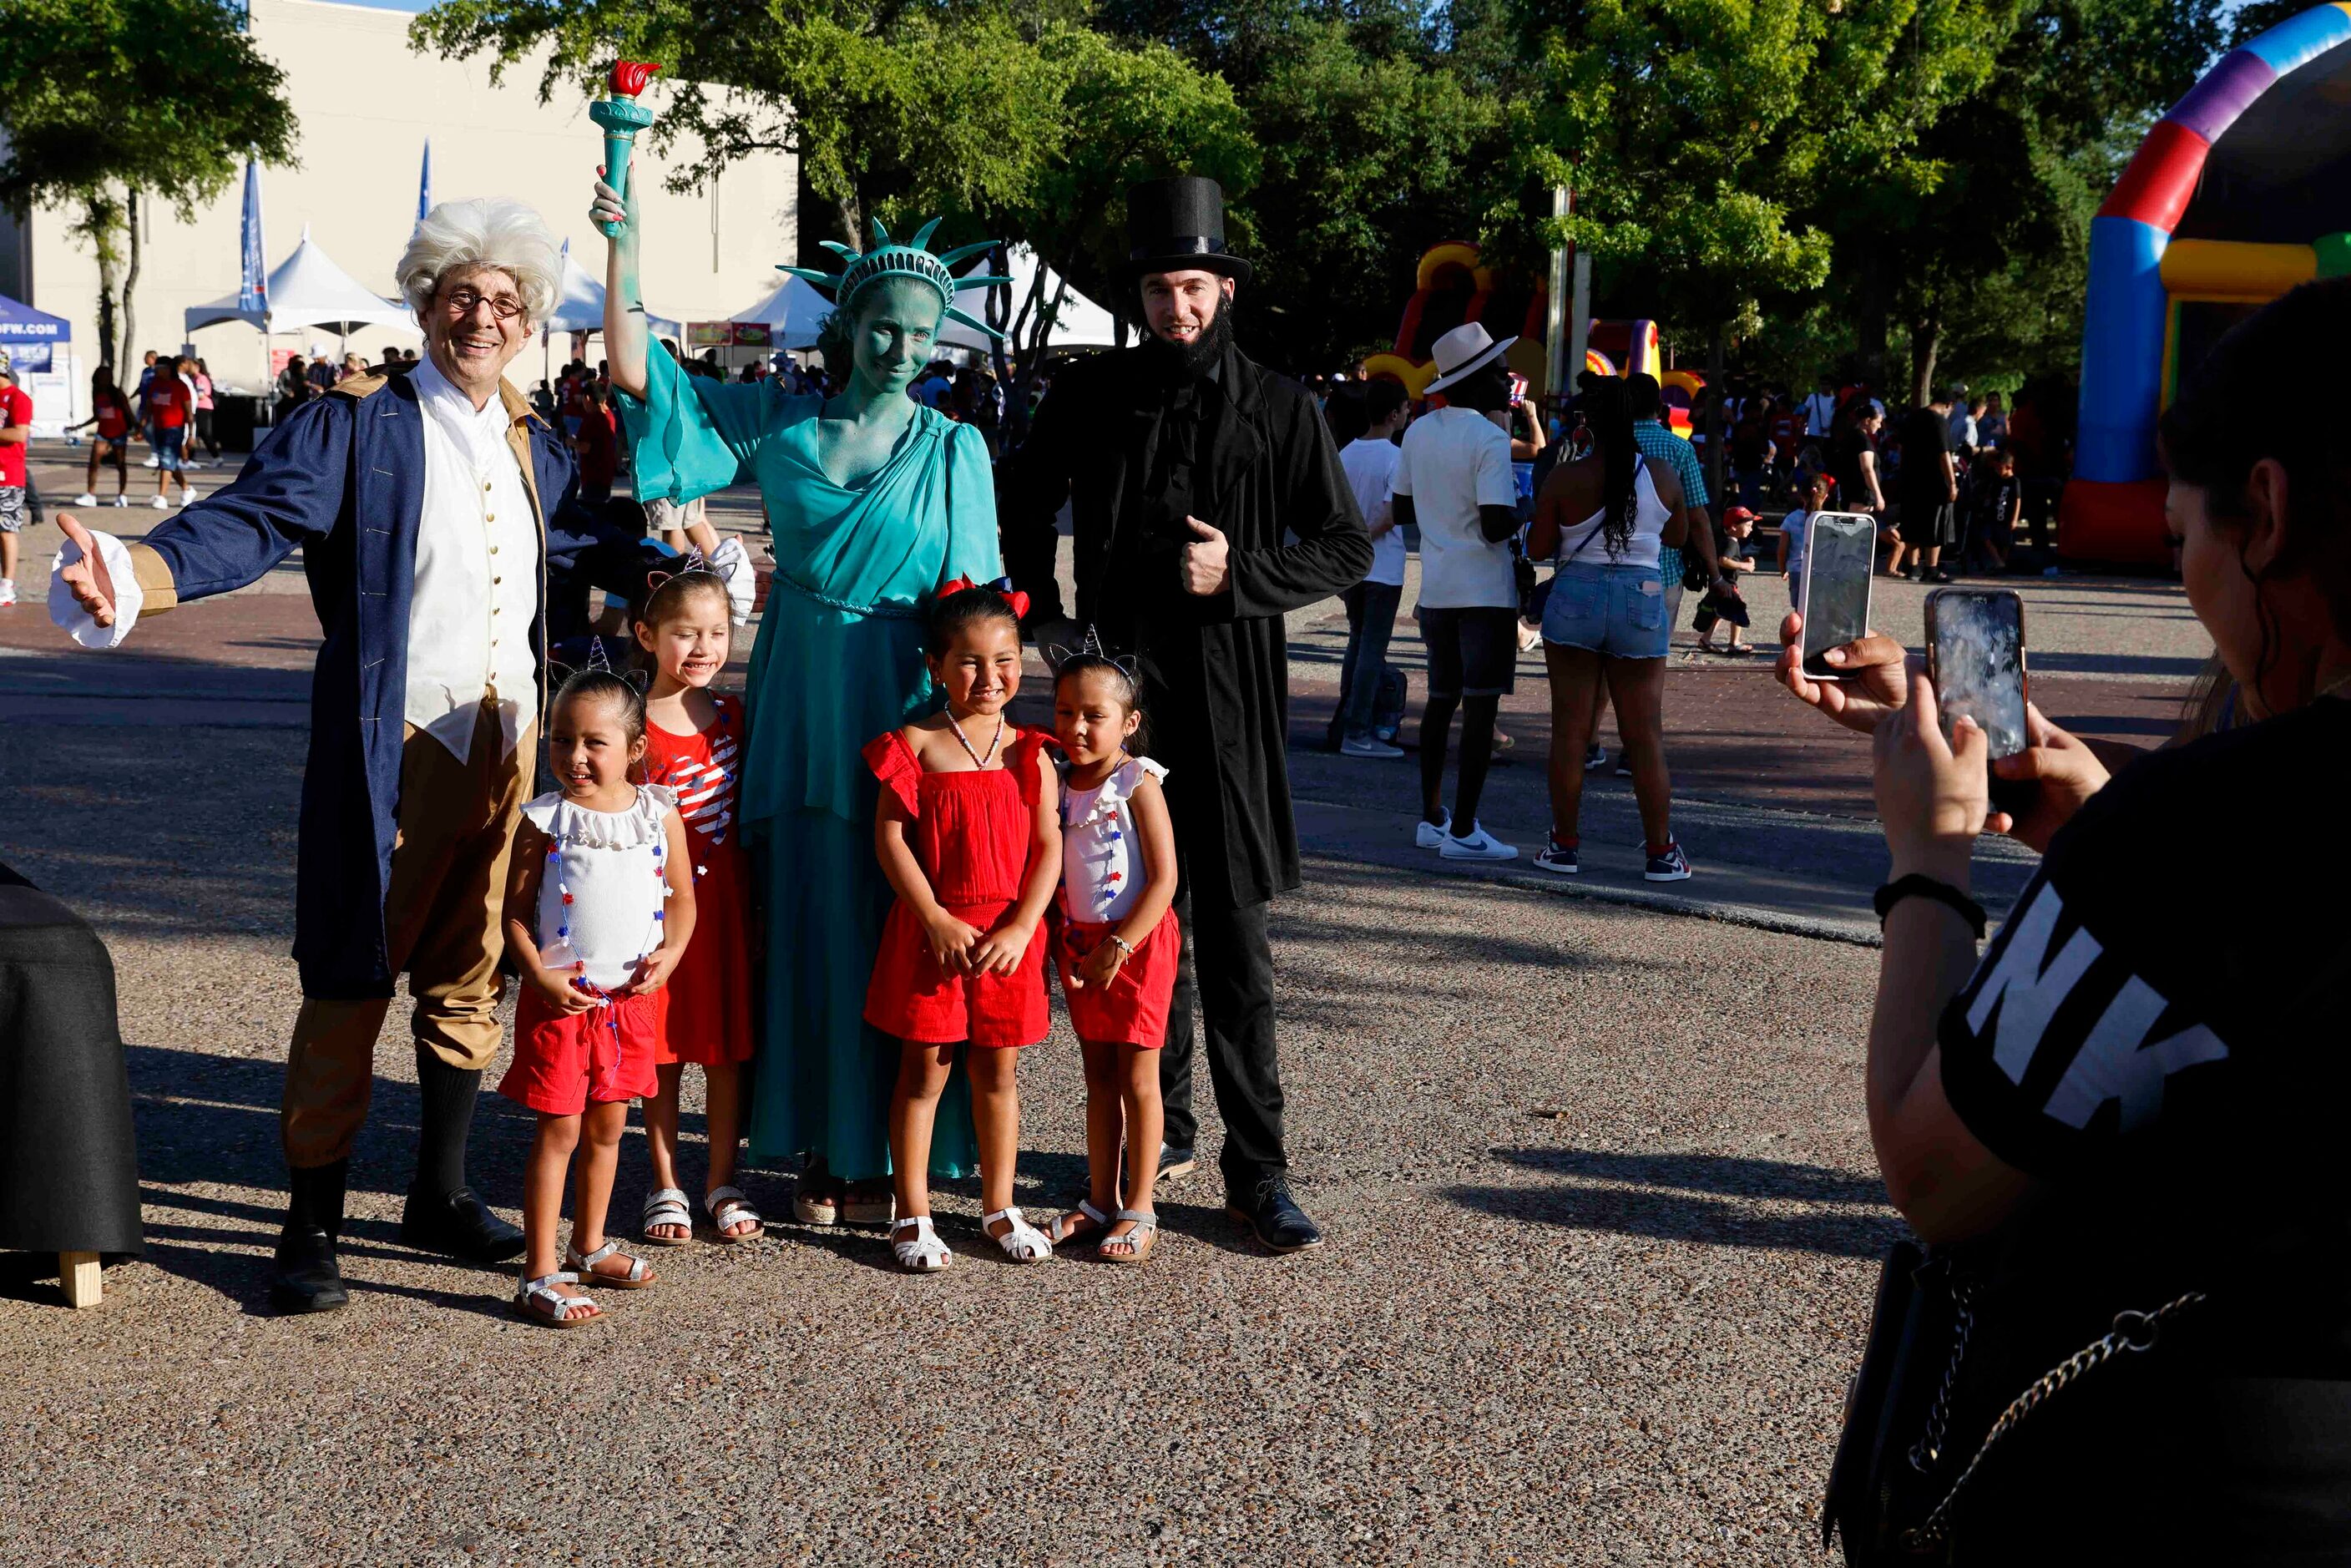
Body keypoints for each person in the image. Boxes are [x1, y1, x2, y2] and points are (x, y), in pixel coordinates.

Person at [1796, 276, 2351, 1559]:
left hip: (2208, 1484)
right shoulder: (2176, 835)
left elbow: (1940, 1173)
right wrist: (2103, 819)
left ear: (2262, 513)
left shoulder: (2208, 832)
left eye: (2181, 537)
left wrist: (1932, 856)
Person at [51, 197, 670, 1317]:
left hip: (510, 744)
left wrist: (673, 565)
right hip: (394, 741)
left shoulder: (533, 437)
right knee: (349, 971)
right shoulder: (359, 422)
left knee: (472, 967)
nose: (481, 317)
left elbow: (578, 541)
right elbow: (252, 520)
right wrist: (139, 572)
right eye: (462, 296)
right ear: (428, 303)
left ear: (528, 322)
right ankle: (309, 1224)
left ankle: (437, 1192)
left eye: (504, 302)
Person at [595, 174, 1007, 1232]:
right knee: (812, 913)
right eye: (883, 329)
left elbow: (979, 608)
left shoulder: (955, 448)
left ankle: (891, 1147)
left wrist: (981, 738)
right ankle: (819, 1144)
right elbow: (645, 378)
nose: (902, 349)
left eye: (921, 334)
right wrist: (624, 246)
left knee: (900, 915)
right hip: (802, 687)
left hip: (909, 695)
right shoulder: (777, 427)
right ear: (847, 329)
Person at [1000, 175, 1371, 1252]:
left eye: (1195, 287)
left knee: (1235, 938)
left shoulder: (1278, 405)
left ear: (1225, 289)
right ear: (1141, 297)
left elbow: (1344, 544)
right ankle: (1157, 1138)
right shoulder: (1092, 393)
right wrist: (1050, 617)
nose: (1179, 309)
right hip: (1116, 710)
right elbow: (1024, 492)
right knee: (1128, 921)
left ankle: (1261, 1169)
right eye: (1162, 290)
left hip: (1229, 702)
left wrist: (1241, 572)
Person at [864, 584, 1060, 1272]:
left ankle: (999, 1206)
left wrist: (1023, 927)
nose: (990, 676)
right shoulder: (913, 744)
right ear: (935, 666)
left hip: (1009, 941)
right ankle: (910, 1211)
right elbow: (890, 839)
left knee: (998, 1074)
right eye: (970, 662)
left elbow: (1050, 846)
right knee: (924, 1073)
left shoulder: (1031, 750)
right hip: (933, 936)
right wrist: (935, 917)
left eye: (1005, 660)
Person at [498, 666, 693, 1326]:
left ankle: (589, 1243)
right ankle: (538, 1271)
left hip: (632, 1005)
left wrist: (673, 953)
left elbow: (684, 903)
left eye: (593, 742)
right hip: (563, 1003)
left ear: (635, 748)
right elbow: (516, 914)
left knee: (610, 1127)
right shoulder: (546, 820)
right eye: (560, 740)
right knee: (560, 1130)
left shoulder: (659, 814)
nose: (573, 757)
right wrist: (540, 976)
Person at [631, 564, 761, 1247]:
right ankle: (664, 1181)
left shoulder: (737, 714)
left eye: (717, 633)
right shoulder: (630, 726)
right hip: (657, 914)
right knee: (662, 1049)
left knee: (725, 1047)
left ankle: (721, 1179)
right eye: (686, 634)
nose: (704, 648)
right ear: (647, 635)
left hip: (728, 909)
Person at [1528, 376, 1694, 882]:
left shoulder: (1567, 477)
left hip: (1575, 595)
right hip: (1640, 601)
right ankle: (1661, 852)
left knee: (1571, 732)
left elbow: (1537, 549)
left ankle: (1564, 845)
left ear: (1588, 424)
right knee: (1644, 735)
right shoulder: (1662, 473)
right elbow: (1678, 535)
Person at [1046, 649, 1181, 1265]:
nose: (1076, 727)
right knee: (1098, 1075)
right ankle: (1100, 1199)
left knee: (1137, 1077)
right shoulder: (1057, 779)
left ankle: (1140, 1204)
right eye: (1065, 711)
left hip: (1136, 944)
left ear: (1128, 722)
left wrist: (1120, 946)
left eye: (1093, 715)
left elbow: (1163, 879)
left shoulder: (1137, 781)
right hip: (1080, 941)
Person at [1392, 323, 1524, 863]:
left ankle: (1432, 817)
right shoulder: (1489, 438)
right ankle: (1465, 828)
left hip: (1439, 589)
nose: (1506, 379)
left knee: (1441, 703)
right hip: (1485, 593)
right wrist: (1530, 511)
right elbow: (1496, 525)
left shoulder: (1419, 431)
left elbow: (1402, 511)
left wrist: (1443, 517)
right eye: (1498, 371)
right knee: (1482, 709)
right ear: (1475, 381)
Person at [1329, 379, 1410, 758]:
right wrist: (1365, 538)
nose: (1409, 415)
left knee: (1357, 645)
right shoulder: (1396, 458)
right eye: (1406, 409)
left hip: (1352, 569)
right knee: (1371, 651)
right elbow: (1389, 515)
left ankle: (1345, 721)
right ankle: (1357, 730)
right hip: (1383, 568)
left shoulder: (1346, 453)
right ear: (1393, 414)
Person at [1898, 387, 1961, 582]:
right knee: (1936, 523)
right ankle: (1931, 568)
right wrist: (1952, 483)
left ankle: (1913, 567)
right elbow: (1944, 454)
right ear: (1949, 405)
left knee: (1912, 521)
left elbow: (1901, 447)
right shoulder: (1939, 421)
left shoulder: (1912, 418)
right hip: (1934, 481)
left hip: (1910, 478)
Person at [70, 367, 139, 510]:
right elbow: (97, 415)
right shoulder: (96, 394)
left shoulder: (118, 394)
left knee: (120, 464)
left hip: (119, 432)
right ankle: (90, 495)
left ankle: (122, 495)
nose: (104, 379)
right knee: (93, 463)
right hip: (103, 433)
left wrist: (138, 429)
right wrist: (80, 426)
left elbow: (129, 412)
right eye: (101, 376)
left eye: (107, 376)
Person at [1694, 506, 1760, 655]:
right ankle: (1734, 643)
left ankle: (1705, 640)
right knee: (1738, 610)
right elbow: (1723, 561)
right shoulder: (1731, 542)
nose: (1750, 529)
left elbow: (1729, 560)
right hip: (1726, 585)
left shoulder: (1729, 541)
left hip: (1720, 584)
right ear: (1734, 526)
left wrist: (1742, 560)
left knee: (1720, 613)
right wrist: (1744, 565)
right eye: (1748, 526)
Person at [141, 355, 199, 510]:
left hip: (174, 429)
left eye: (160, 369)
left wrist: (191, 435)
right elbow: (148, 407)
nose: (157, 372)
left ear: (168, 369)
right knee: (168, 462)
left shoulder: (180, 386)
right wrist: (142, 426)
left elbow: (189, 413)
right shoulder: (154, 385)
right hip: (158, 429)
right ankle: (187, 489)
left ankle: (161, 497)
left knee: (166, 460)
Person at [1777, 471, 1833, 609]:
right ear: (1825, 497)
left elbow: (1782, 550)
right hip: (1822, 571)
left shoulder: (1791, 519)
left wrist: (1783, 569)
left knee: (1800, 610)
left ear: (1801, 496)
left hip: (1797, 570)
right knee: (1820, 610)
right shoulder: (1829, 520)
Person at [0, 366, 30, 608]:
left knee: (6, 530)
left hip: (7, 475)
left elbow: (19, 434)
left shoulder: (19, 399)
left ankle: (7, 586)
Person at [1965, 446, 2021, 574]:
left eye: (1999, 467)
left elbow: (2018, 500)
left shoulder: (2014, 482)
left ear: (2008, 466)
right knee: (1986, 537)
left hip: (2006, 516)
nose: (1997, 470)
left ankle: (2002, 563)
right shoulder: (1996, 480)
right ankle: (1998, 562)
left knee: (2006, 542)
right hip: (1993, 515)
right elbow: (1990, 495)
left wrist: (2015, 519)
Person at [574, 382, 619, 503]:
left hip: (592, 475)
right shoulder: (610, 416)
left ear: (587, 398)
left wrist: (571, 442)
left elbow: (585, 447)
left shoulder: (592, 419)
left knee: (592, 509)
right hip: (606, 472)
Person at [1800, 375, 1838, 440]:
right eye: (1821, 384)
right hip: (1813, 434)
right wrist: (1802, 428)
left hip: (1829, 436)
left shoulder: (1835, 400)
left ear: (1831, 386)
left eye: (1826, 384)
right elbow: (1805, 414)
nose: (1823, 386)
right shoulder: (1813, 397)